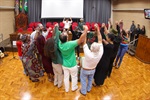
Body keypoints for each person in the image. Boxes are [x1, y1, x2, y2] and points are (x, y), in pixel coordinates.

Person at [55, 23, 88, 92]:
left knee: (66, 77)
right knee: (74, 76)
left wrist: (57, 28)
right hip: (72, 64)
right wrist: (85, 30)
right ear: (67, 38)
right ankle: (74, 87)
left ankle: (67, 89)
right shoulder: (70, 44)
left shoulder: (59, 44)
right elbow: (81, 39)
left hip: (64, 64)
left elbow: (58, 35)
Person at [80, 24, 103, 96]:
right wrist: (98, 29)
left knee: (83, 80)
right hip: (93, 69)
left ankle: (83, 92)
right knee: (90, 79)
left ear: (91, 48)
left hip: (85, 70)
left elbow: (84, 42)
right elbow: (100, 38)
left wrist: (85, 30)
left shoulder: (88, 53)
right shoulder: (100, 52)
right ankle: (88, 89)